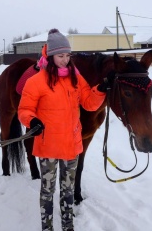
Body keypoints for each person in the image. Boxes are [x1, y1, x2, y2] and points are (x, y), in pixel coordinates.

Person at [18, 29, 111, 231]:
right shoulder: (36, 82)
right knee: (48, 191)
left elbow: (89, 102)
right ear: (50, 56)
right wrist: (32, 121)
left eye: (68, 55)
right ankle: (47, 227)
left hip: (71, 145)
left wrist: (101, 89)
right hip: (48, 145)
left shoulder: (75, 79)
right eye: (61, 56)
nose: (65, 60)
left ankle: (68, 226)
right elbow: (24, 109)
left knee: (68, 190)